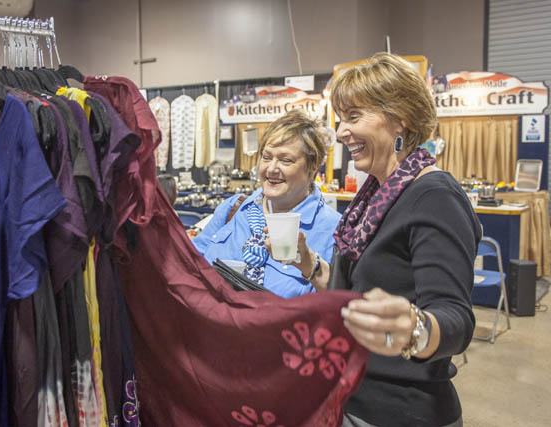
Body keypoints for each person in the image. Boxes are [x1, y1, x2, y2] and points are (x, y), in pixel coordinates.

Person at [276, 53, 481, 426]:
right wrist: (311, 267)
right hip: (351, 396)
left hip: (399, 411)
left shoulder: (434, 196)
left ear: (399, 117)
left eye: (354, 118)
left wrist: (414, 327)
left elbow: (456, 319)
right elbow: (359, 291)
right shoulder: (376, 193)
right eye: (340, 120)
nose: (340, 132)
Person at [192, 109, 341, 298]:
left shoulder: (333, 229)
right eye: (266, 157)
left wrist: (312, 267)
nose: (271, 169)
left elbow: (338, 304)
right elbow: (192, 262)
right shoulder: (235, 208)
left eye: (285, 160)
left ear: (313, 166)